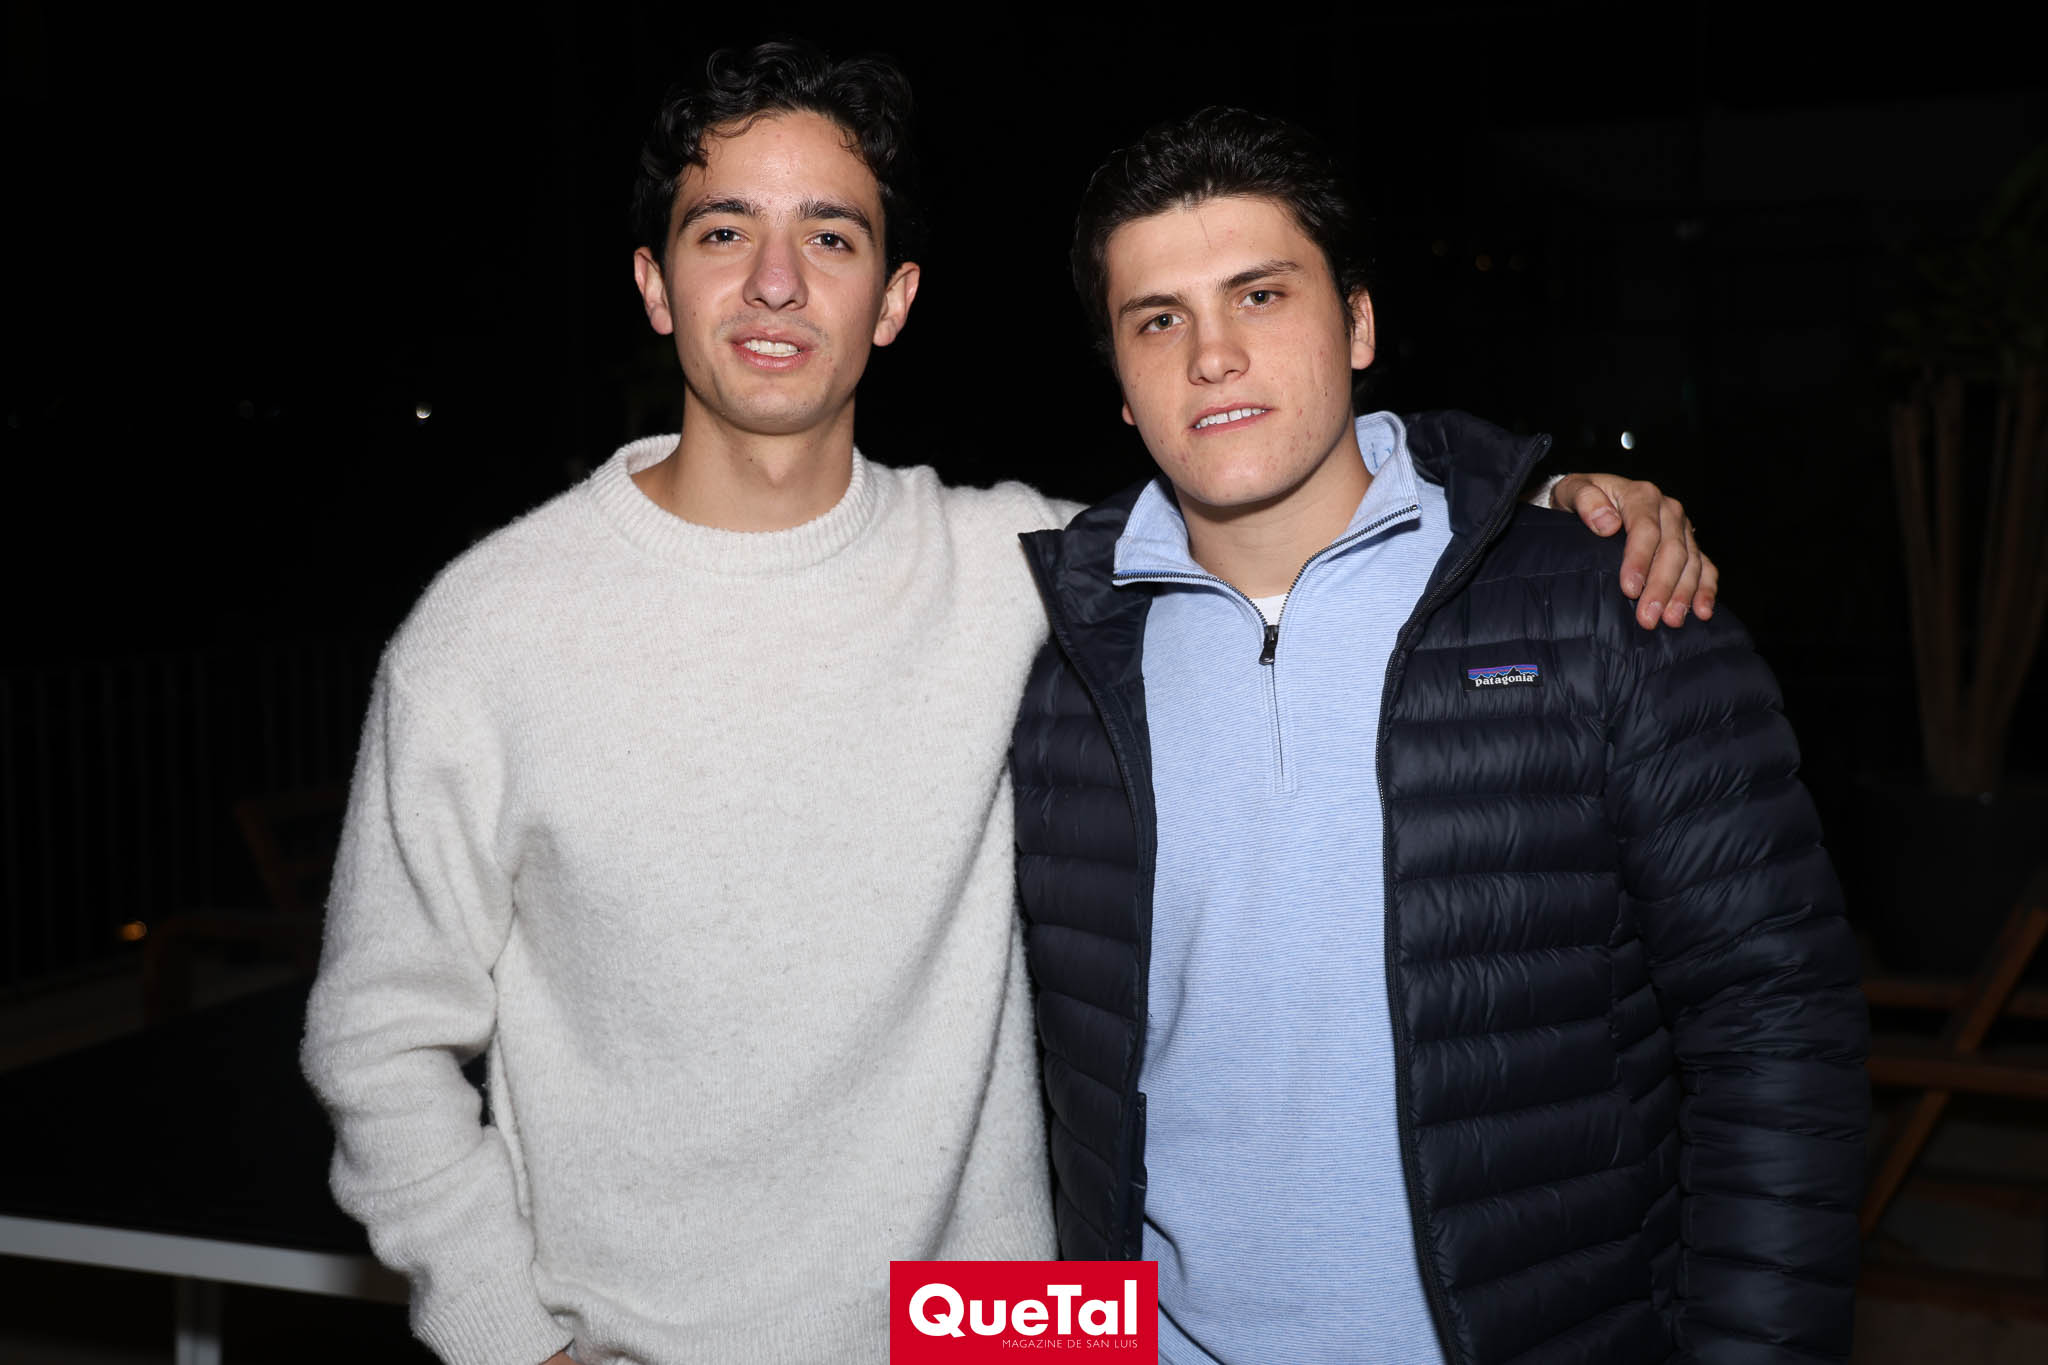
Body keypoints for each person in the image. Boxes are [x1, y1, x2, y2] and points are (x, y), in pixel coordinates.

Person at [300, 42, 1716, 1365]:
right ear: (655, 284)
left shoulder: (1019, 568)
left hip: (1000, 1334)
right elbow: (376, 1038)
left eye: (831, 238)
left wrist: (1529, 509)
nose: (776, 282)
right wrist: (516, 1341)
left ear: (894, 298)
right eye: (723, 231)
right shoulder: (491, 629)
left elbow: (1275, 493)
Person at [1009, 108, 1866, 1365]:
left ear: (1356, 324)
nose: (1211, 356)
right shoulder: (1056, 657)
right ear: (1122, 386)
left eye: (1259, 295)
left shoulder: (1600, 603)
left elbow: (1774, 1026)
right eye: (1157, 320)